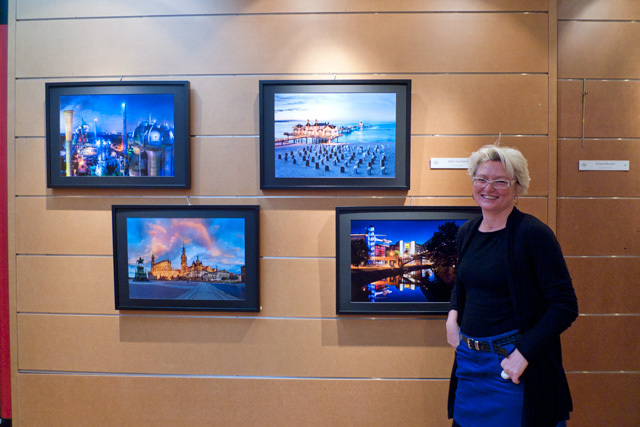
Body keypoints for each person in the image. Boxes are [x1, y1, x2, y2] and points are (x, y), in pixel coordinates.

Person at [446, 144, 578, 427]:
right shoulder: (466, 232)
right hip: (469, 365)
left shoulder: (533, 234)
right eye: (481, 179)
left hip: (513, 367)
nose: (488, 187)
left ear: (518, 187)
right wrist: (452, 314)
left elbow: (565, 305)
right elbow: (465, 282)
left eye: (500, 181)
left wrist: (523, 353)